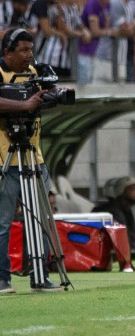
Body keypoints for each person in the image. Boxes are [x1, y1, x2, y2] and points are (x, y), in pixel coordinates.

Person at [0, 28, 67, 294]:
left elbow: (46, 94)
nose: (29, 56)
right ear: (7, 52)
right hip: (4, 158)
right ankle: (2, 279)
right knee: (3, 223)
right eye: (23, 50)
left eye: (31, 49)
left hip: (33, 156)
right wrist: (24, 106)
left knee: (40, 218)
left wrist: (55, 94)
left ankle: (40, 276)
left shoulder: (37, 71)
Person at [92, 176, 135, 249]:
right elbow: (124, 239)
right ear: (121, 191)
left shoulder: (125, 210)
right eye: (133, 189)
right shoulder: (112, 211)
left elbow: (133, 234)